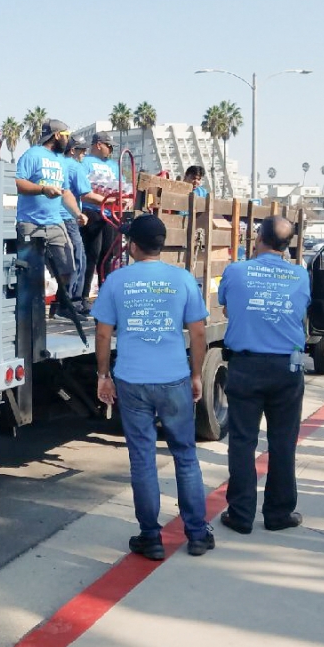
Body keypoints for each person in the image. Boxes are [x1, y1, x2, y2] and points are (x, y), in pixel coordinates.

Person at [92, 213, 213, 558]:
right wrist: (195, 374)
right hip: (174, 377)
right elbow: (199, 332)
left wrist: (104, 375)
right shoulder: (183, 279)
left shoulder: (117, 280)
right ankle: (197, 533)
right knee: (185, 456)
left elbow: (103, 333)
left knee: (143, 459)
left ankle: (151, 537)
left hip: (132, 380)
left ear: (132, 245)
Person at [217, 216, 311, 534]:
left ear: (259, 237)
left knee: (242, 442)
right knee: (283, 443)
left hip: (246, 366)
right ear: (287, 244)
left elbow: (229, 308)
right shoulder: (300, 274)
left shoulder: (236, 270)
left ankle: (241, 515)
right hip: (288, 368)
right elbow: (301, 310)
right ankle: (279, 514)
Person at [14, 119, 84, 295]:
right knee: (30, 273)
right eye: (67, 136)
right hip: (30, 223)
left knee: (68, 268)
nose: (68, 140)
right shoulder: (32, 155)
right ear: (57, 135)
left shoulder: (60, 160)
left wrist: (77, 214)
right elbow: (17, 183)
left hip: (55, 223)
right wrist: (43, 189)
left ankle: (61, 305)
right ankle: (30, 314)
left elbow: (65, 191)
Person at [79, 132, 119, 305]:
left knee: (108, 255)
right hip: (92, 211)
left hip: (110, 214)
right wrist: (105, 200)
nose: (110, 150)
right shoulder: (85, 162)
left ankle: (106, 295)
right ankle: (84, 296)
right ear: (98, 144)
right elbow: (83, 191)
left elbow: (120, 185)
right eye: (108, 146)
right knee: (91, 255)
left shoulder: (113, 165)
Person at [56, 137, 91, 316]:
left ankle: (63, 302)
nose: (84, 154)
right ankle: (71, 303)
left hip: (58, 217)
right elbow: (86, 193)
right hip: (69, 218)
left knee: (68, 260)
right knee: (78, 260)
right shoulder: (74, 166)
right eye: (82, 150)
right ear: (72, 151)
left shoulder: (57, 163)